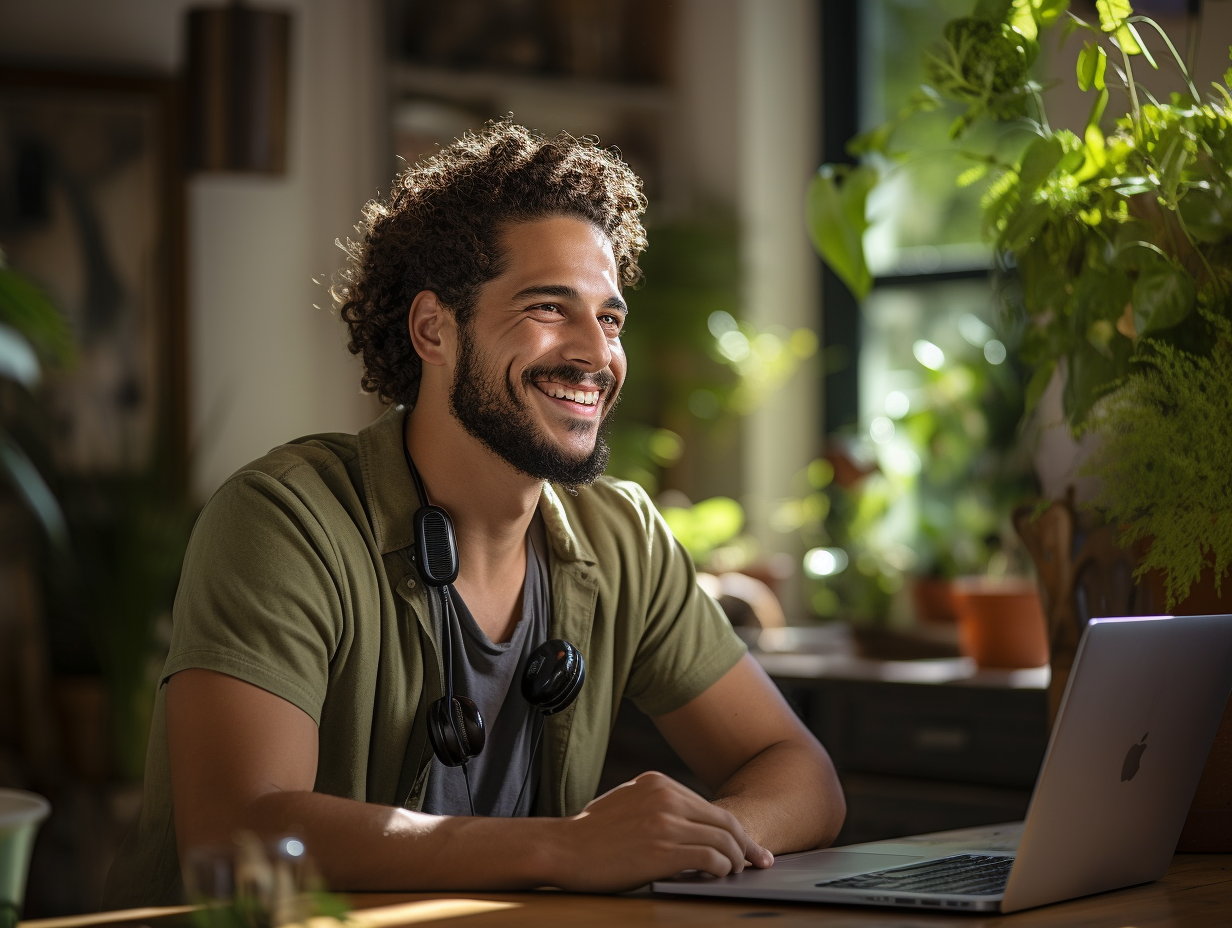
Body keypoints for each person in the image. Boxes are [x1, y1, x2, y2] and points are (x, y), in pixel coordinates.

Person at [104, 121, 845, 905]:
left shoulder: (623, 537)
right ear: (435, 329)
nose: (597, 351)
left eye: (610, 316)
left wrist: (690, 843)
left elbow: (802, 777)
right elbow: (238, 832)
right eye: (550, 307)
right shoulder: (285, 519)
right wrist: (567, 849)